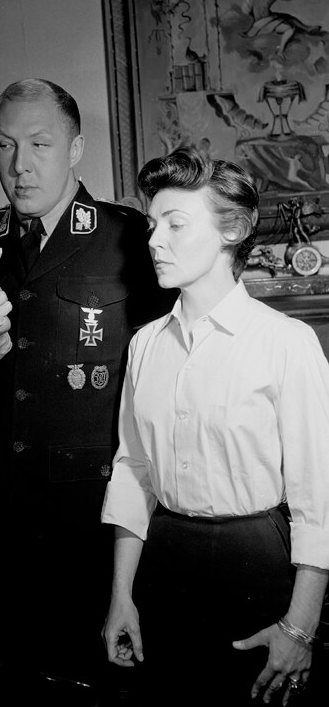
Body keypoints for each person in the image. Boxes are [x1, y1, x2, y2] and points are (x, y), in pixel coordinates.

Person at [0, 78, 175, 704]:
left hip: (90, 523)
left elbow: (164, 386)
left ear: (75, 149)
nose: (20, 165)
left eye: (40, 144)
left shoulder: (128, 237)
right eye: (5, 145)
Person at [101, 146, 329, 707]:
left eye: (175, 224)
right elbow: (133, 473)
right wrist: (121, 597)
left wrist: (300, 628)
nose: (154, 240)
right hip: (163, 562)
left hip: (258, 566)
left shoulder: (287, 343)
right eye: (152, 225)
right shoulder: (145, 345)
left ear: (233, 230)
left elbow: (318, 499)